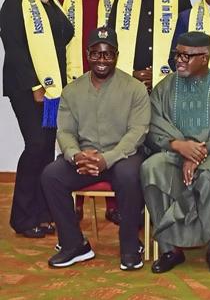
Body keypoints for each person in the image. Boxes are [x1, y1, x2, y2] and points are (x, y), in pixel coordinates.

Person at [41, 27, 150, 270]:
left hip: (122, 156)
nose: (102, 60)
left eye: (108, 54)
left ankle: (130, 245)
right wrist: (75, 155)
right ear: (87, 54)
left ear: (116, 56)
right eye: (96, 54)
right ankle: (74, 244)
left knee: (130, 175)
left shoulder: (135, 89)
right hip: (85, 157)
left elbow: (137, 132)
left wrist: (106, 159)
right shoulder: (72, 91)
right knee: (51, 175)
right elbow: (65, 132)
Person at [141, 31, 210, 275]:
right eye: (177, 55)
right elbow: (153, 126)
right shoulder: (165, 87)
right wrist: (179, 146)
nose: (179, 60)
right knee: (151, 168)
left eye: (186, 56)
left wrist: (202, 150)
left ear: (204, 57)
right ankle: (169, 250)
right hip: (174, 152)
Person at [0, 0, 74, 238]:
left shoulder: (51, 2)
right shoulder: (14, 3)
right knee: (35, 146)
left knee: (45, 149)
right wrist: (35, 85)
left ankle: (43, 212)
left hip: (52, 89)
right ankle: (23, 217)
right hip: (28, 89)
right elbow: (15, 50)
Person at [59, 0, 119, 224]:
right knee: (76, 138)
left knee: (110, 137)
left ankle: (114, 204)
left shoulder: (120, 1)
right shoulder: (63, 3)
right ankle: (77, 202)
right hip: (75, 84)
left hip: (110, 82)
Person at [108, 0, 191, 92]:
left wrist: (160, 74)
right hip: (129, 83)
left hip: (170, 84)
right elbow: (111, 40)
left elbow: (187, 41)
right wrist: (131, 73)